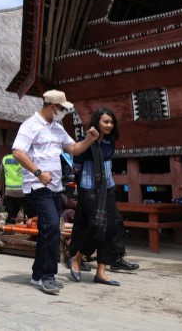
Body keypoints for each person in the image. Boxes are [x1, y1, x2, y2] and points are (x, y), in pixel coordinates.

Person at [12, 89, 98, 295]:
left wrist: (89, 139)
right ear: (52, 107)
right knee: (52, 226)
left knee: (47, 229)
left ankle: (37, 274)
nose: (64, 113)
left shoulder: (57, 128)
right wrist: (39, 172)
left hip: (55, 186)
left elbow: (74, 149)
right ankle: (48, 275)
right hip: (38, 185)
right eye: (62, 109)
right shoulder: (30, 125)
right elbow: (17, 151)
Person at [68, 107, 121, 286]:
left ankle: (101, 271)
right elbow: (76, 165)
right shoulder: (86, 139)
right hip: (89, 186)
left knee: (111, 227)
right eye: (106, 121)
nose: (109, 125)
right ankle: (77, 258)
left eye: (111, 122)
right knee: (98, 226)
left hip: (108, 187)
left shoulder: (110, 141)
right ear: (97, 122)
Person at [0, 151, 34, 224]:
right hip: (24, 191)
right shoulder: (25, 158)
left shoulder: (5, 158)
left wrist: (1, 190)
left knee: (11, 216)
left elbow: (0, 176)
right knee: (32, 215)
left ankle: (7, 232)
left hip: (9, 191)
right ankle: (34, 233)